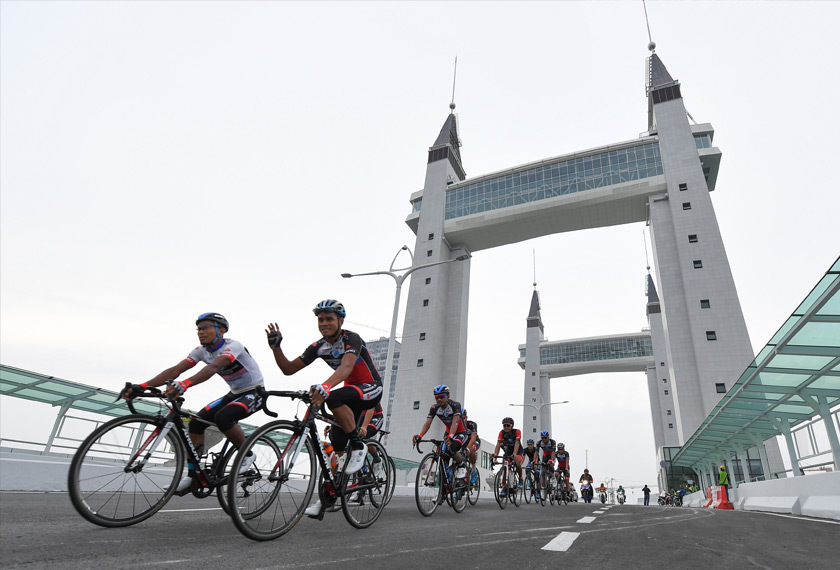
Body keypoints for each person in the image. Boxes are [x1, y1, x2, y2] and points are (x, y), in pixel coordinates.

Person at [265, 299, 383, 518]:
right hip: (348, 396)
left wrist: (326, 386)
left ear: (340, 320)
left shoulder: (351, 338)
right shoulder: (318, 346)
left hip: (370, 389)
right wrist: (276, 348)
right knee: (336, 451)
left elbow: (347, 367)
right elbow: (288, 369)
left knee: (333, 397)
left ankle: (358, 445)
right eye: (321, 319)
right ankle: (327, 496)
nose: (324, 323)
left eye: (329, 319)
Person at [127, 312, 265, 493]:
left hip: (255, 392)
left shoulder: (233, 346)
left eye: (206, 327)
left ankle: (247, 454)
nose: (200, 332)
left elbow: (214, 367)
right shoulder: (201, 351)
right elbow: (176, 369)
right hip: (234, 393)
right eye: (198, 329)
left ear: (221, 330)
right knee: (195, 424)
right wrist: (143, 386)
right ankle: (192, 476)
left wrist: (186, 384)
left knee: (223, 417)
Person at [412, 384, 470, 480]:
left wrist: (451, 436)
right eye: (436, 397)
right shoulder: (434, 408)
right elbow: (428, 423)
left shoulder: (455, 405)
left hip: (460, 432)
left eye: (441, 396)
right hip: (448, 432)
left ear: (448, 396)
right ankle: (445, 485)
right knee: (443, 455)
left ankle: (461, 465)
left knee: (452, 448)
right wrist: (420, 435)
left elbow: (455, 421)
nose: (438, 399)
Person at [491, 417, 523, 497]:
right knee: (505, 466)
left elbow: (517, 443)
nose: (506, 427)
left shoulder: (517, 431)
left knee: (517, 462)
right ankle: (504, 486)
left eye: (508, 425)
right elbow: (498, 444)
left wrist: (515, 454)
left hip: (518, 449)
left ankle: (521, 478)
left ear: (512, 426)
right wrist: (495, 455)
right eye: (504, 425)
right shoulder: (502, 433)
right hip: (508, 450)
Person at [461, 408, 480, 486]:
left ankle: (474, 469)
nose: (462, 420)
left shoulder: (472, 425)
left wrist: (468, 448)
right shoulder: (455, 426)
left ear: (466, 418)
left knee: (471, 450)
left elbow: (473, 437)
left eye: (464, 418)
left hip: (474, 441)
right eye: (460, 418)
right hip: (463, 443)